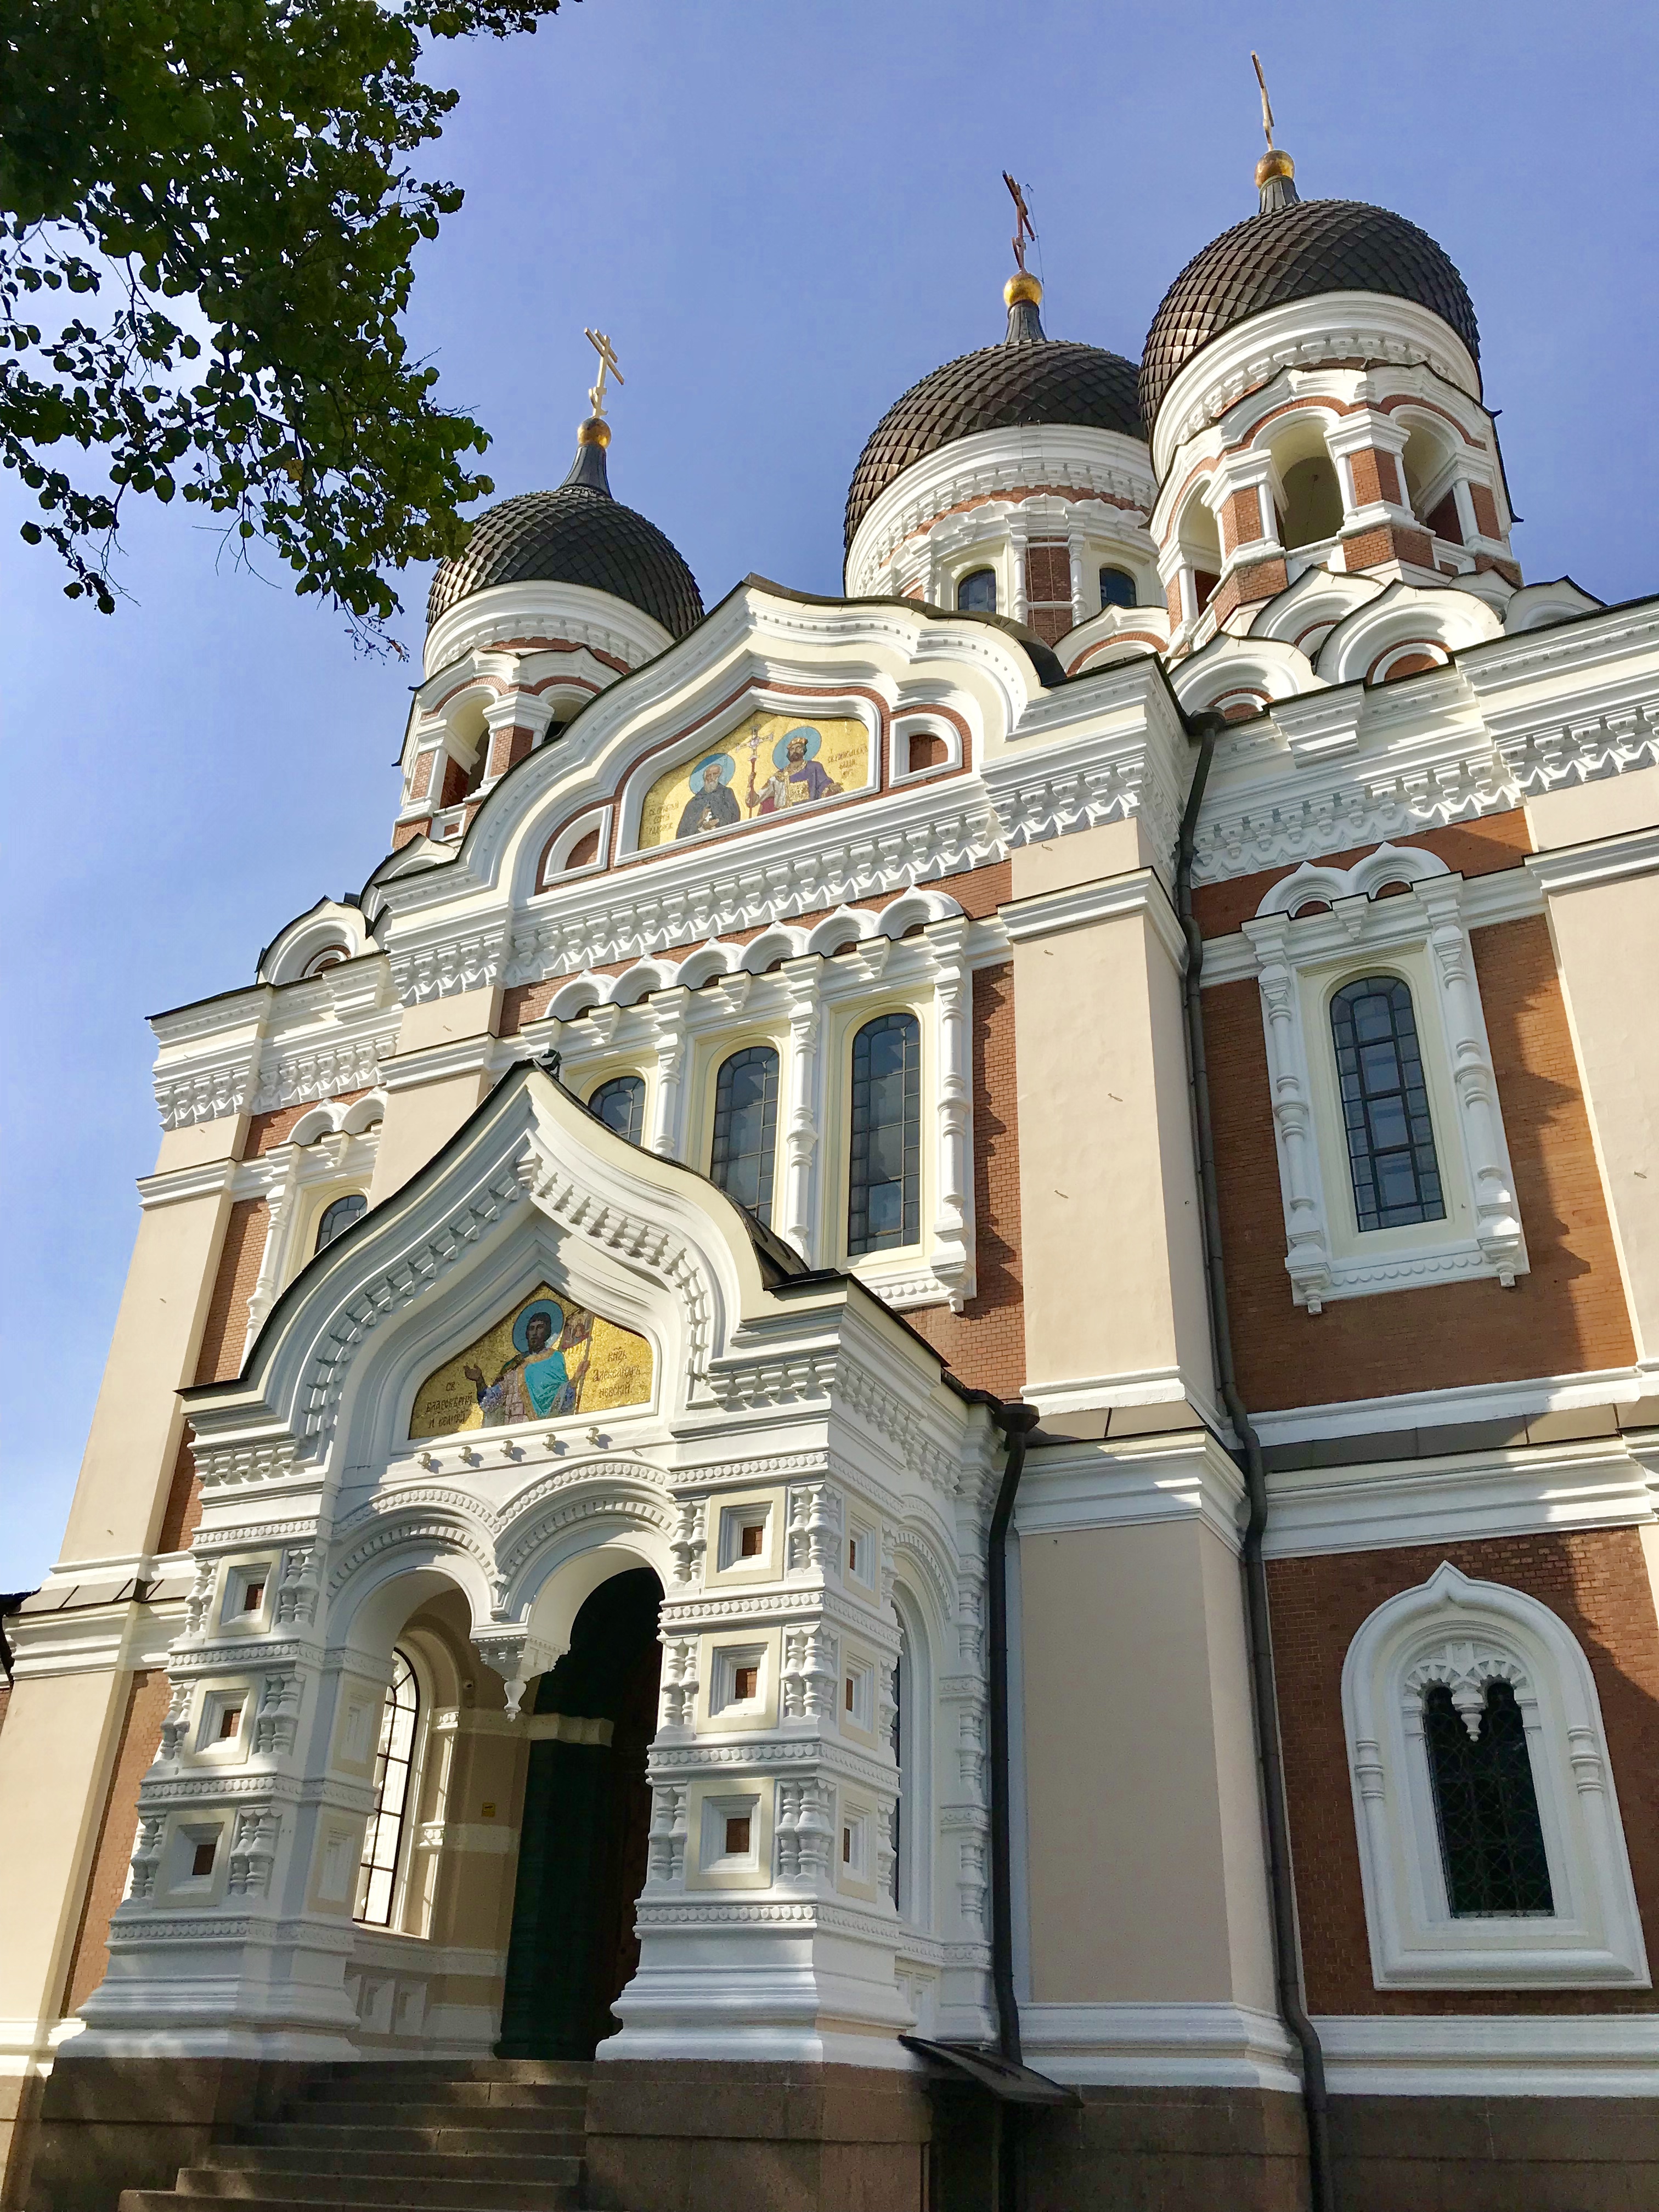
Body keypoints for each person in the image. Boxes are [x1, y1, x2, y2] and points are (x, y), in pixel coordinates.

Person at [465, 1306, 569, 1425]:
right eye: (531, 1329)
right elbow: (490, 1403)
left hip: (543, 1427)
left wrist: (575, 1380)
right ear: (527, 1334)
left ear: (548, 1332)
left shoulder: (555, 1359)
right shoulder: (515, 1365)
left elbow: (563, 1394)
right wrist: (480, 1380)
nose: (535, 1333)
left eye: (540, 1327)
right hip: (512, 1429)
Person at [749, 727, 843, 815]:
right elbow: (756, 799)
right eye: (792, 749)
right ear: (789, 753)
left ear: (803, 750)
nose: (795, 751)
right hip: (785, 818)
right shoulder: (779, 777)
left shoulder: (814, 767)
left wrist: (831, 787)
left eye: (798, 748)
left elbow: (824, 784)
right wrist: (751, 785)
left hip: (810, 813)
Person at [676, 756, 741, 838]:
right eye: (709, 775)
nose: (712, 778)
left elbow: (735, 816)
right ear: (705, 778)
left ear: (720, 775)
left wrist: (718, 822)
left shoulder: (726, 793)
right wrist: (701, 821)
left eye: (715, 774)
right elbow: (682, 833)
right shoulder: (694, 802)